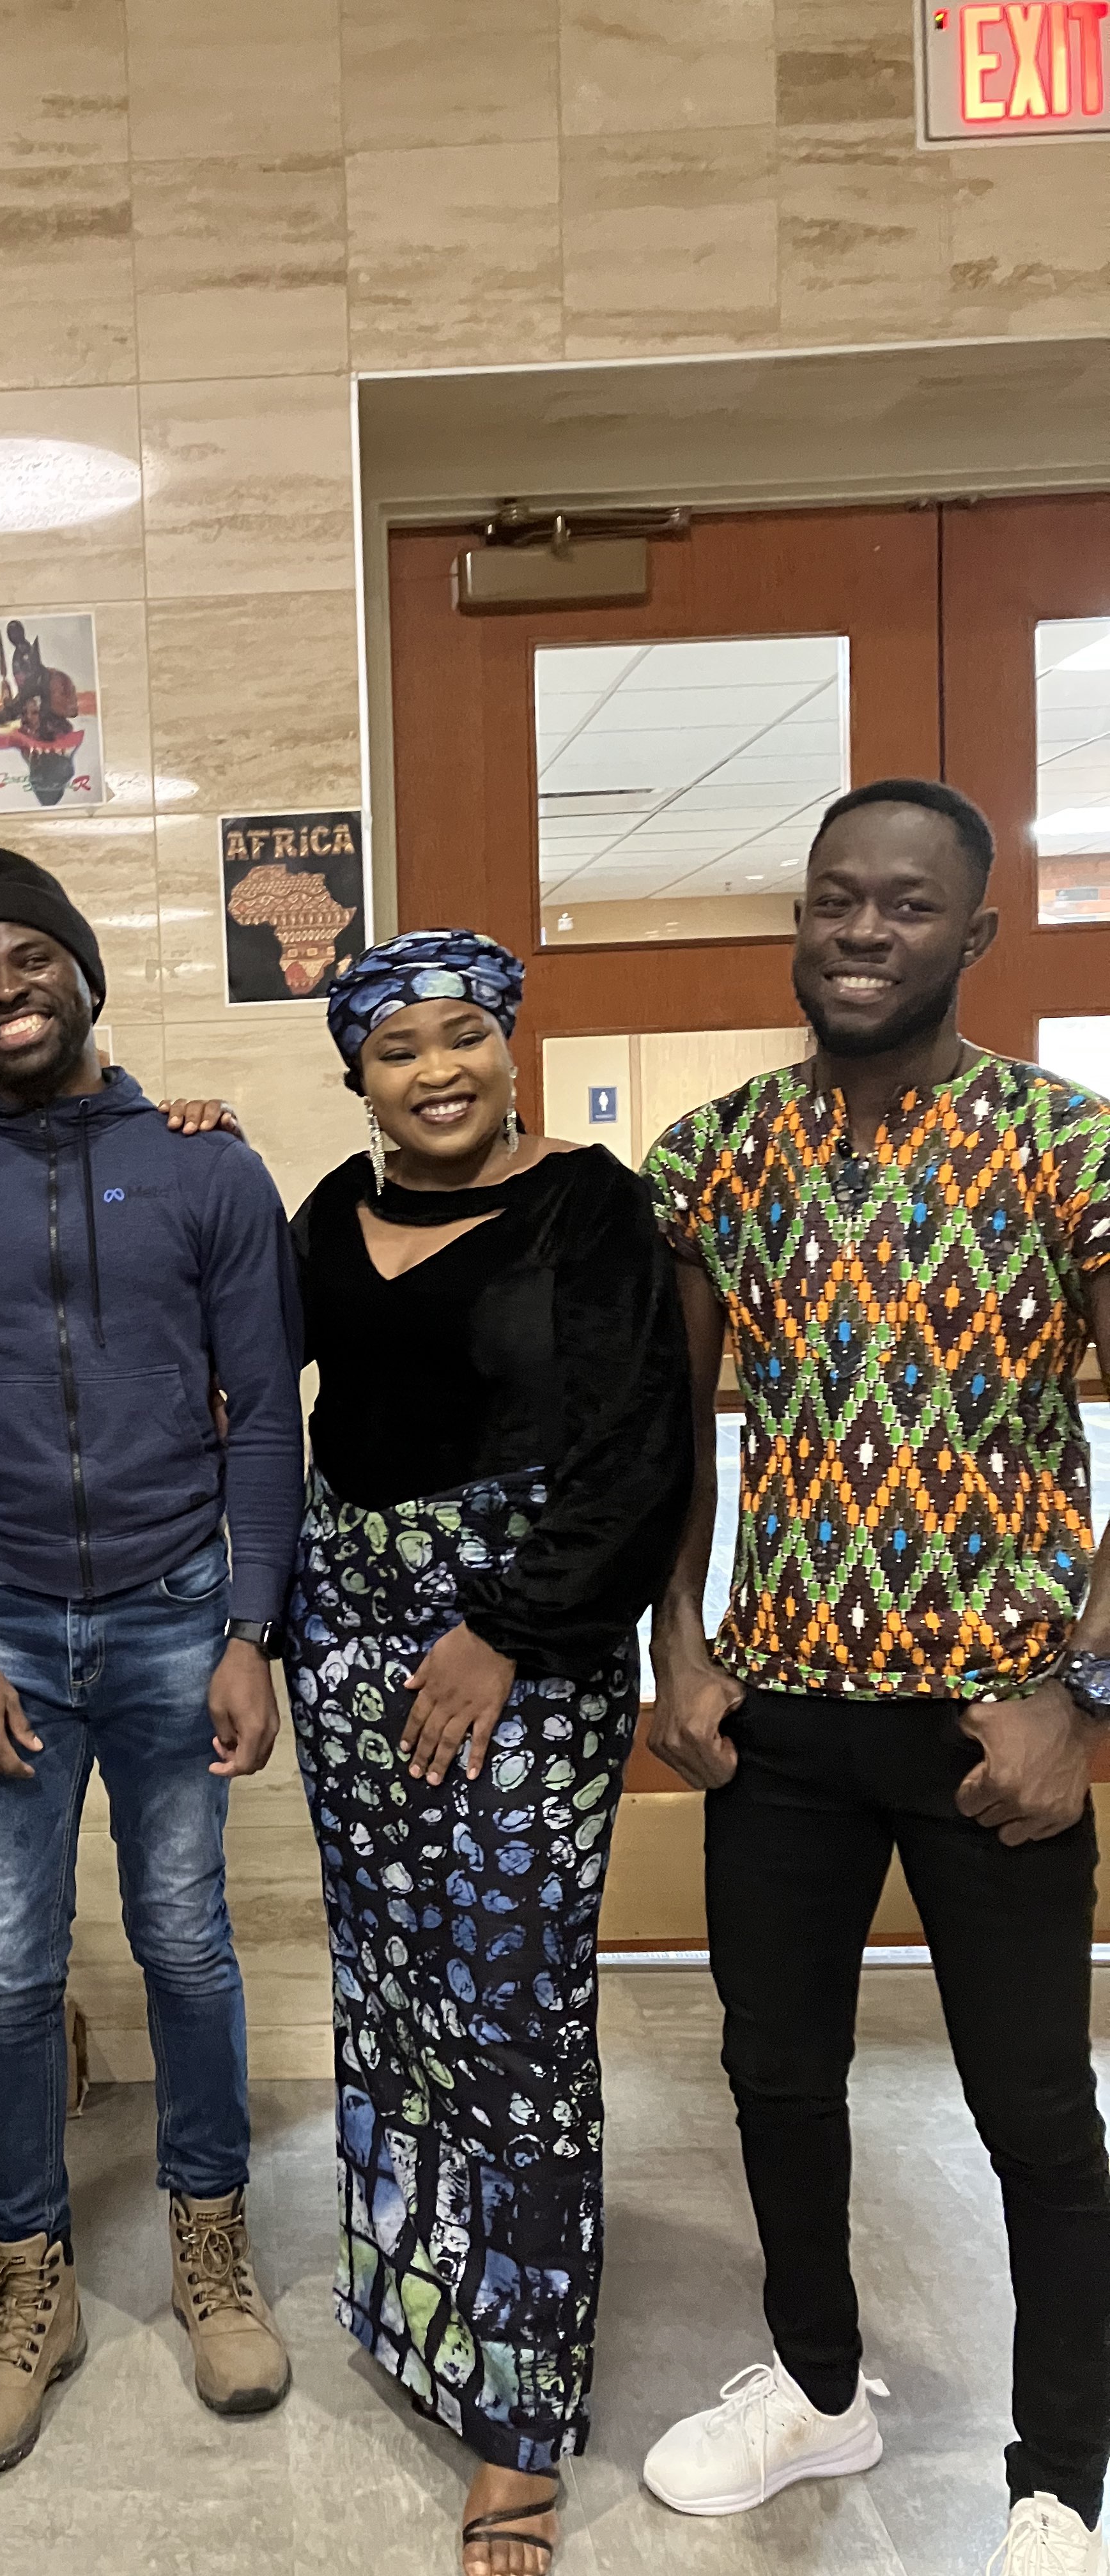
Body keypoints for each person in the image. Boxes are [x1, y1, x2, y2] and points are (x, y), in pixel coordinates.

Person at [640, 779, 1110, 2576]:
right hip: (786, 1720)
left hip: (998, 1722)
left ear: (974, 936)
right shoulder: (723, 1156)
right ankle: (821, 2386)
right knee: (777, 2076)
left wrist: (1082, 1695)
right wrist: (678, 1645)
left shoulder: (1070, 1150)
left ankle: (1060, 2469)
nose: (860, 932)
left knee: (1036, 2117)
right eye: (836, 899)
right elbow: (673, 1432)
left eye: (906, 908)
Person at [0, 847, 305, 2477]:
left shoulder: (210, 1175)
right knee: (10, 1958)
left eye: (28, 959)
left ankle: (211, 2242)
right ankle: (27, 2279)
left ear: (85, 973)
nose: (3, 988)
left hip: (184, 1606)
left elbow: (266, 1415)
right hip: (8, 1628)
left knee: (188, 1937)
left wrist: (253, 1627)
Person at [286, 930, 692, 2573]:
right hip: (348, 1647)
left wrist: (503, 1629)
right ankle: (410, 2311)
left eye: (466, 1036)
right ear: (356, 1075)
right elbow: (261, 1389)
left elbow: (634, 1450)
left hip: (524, 1653)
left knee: (512, 2007)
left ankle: (518, 2417)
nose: (436, 1069)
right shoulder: (325, 1215)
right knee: (386, 1992)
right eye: (400, 1049)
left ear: (512, 1046)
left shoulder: (589, 1206)